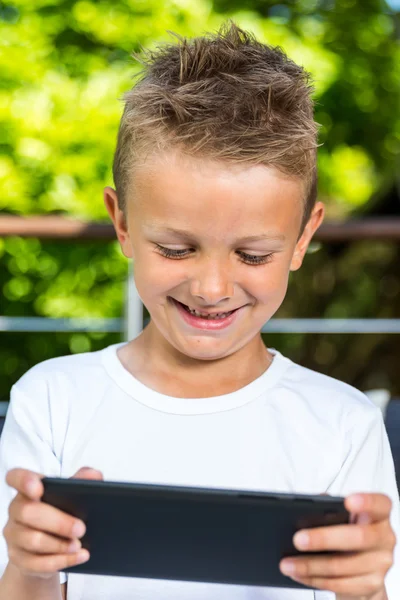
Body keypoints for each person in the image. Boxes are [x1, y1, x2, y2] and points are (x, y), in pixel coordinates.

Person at [0, 21, 398, 600]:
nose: (212, 287)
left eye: (253, 254)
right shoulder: (53, 402)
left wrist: (365, 591)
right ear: (122, 224)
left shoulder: (342, 425)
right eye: (176, 249)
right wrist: (32, 568)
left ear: (303, 238)